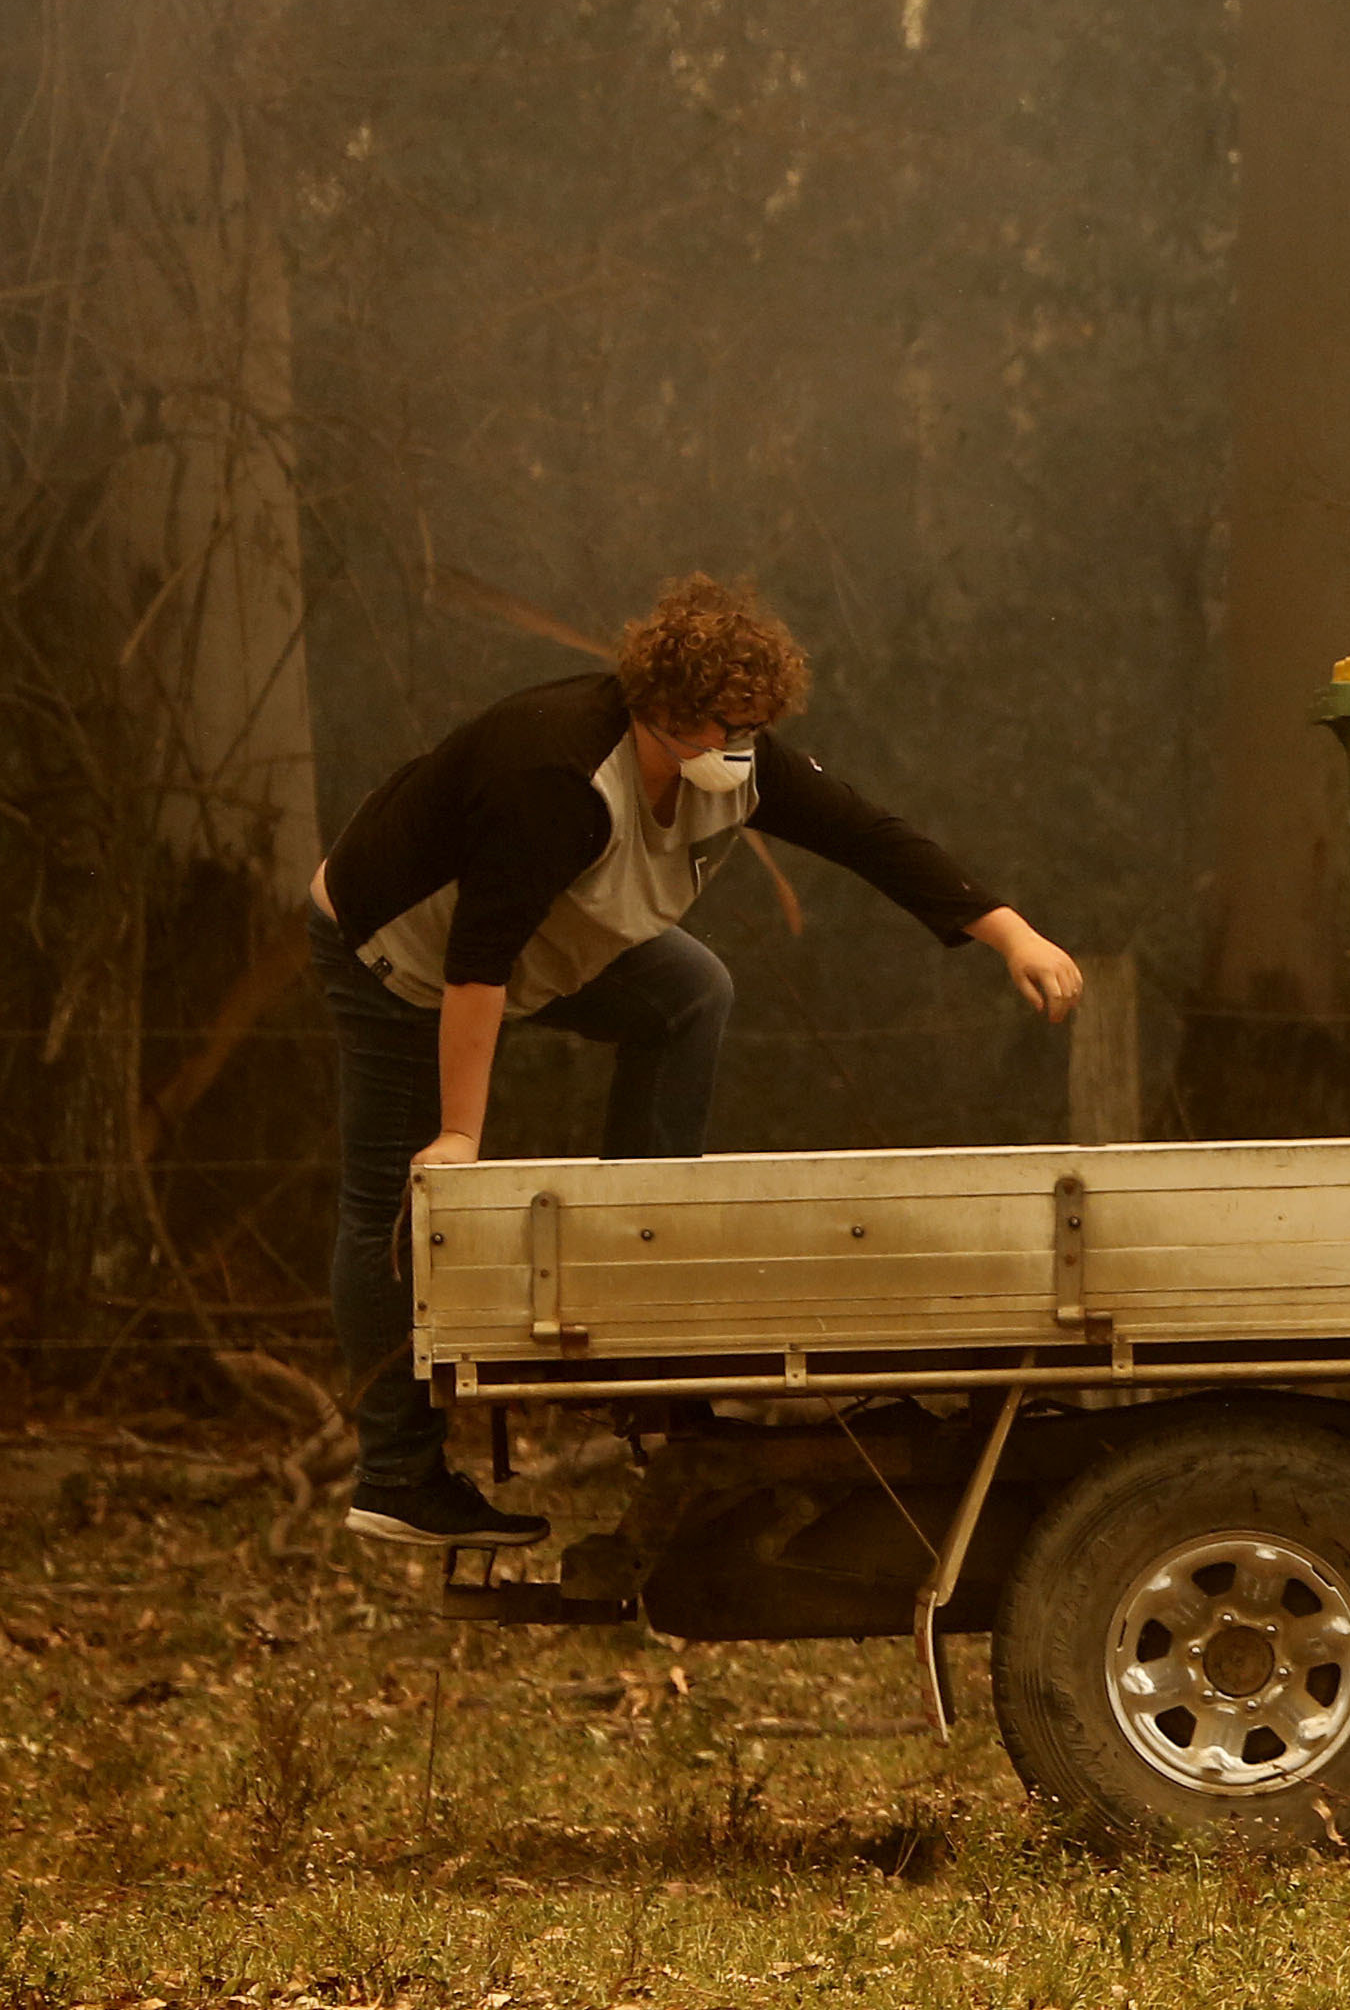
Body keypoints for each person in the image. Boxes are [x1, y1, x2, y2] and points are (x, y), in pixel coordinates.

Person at [311, 573, 1085, 1549]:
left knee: (690, 991)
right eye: (723, 724)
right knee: (395, 1196)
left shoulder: (741, 758)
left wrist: (1011, 935)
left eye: (754, 726)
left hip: (559, 931)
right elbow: (478, 963)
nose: (740, 747)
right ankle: (397, 1473)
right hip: (401, 948)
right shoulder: (551, 774)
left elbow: (866, 832)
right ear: (661, 712)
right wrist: (459, 1132)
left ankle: (637, 1269)